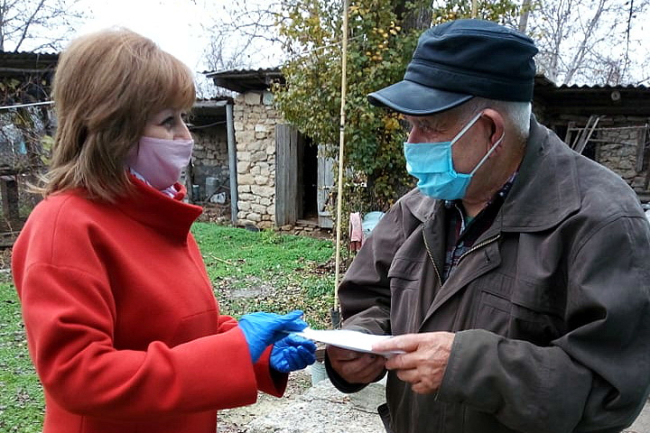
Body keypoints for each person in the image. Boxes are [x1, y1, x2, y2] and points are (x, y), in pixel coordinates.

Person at [325, 19, 650, 433]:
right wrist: (359, 343)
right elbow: (371, 299)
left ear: (492, 129)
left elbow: (610, 393)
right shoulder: (420, 206)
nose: (411, 143)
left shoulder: (598, 221)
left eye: (429, 127)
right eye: (410, 125)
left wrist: (471, 366)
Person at [11, 28, 316, 433]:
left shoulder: (156, 213)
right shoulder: (64, 225)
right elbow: (79, 375)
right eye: (168, 121)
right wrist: (234, 349)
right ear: (112, 127)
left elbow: (185, 330)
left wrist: (258, 355)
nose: (186, 137)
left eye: (183, 119)